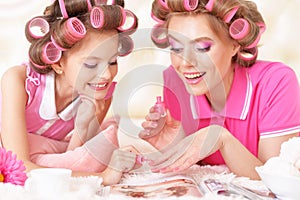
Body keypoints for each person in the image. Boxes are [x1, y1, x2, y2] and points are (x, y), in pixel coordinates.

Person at [139, 0, 300, 179]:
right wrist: (174, 145)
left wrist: (221, 139)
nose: (185, 63)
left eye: (202, 48)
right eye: (176, 48)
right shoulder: (174, 81)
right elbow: (196, 169)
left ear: (234, 44)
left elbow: (278, 182)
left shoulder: (276, 82)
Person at [0, 0, 140, 185]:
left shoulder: (100, 93)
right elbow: (19, 167)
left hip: (43, 153)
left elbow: (71, 158)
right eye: (91, 64)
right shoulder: (18, 81)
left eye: (112, 61)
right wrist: (104, 177)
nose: (106, 75)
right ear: (57, 63)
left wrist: (83, 127)